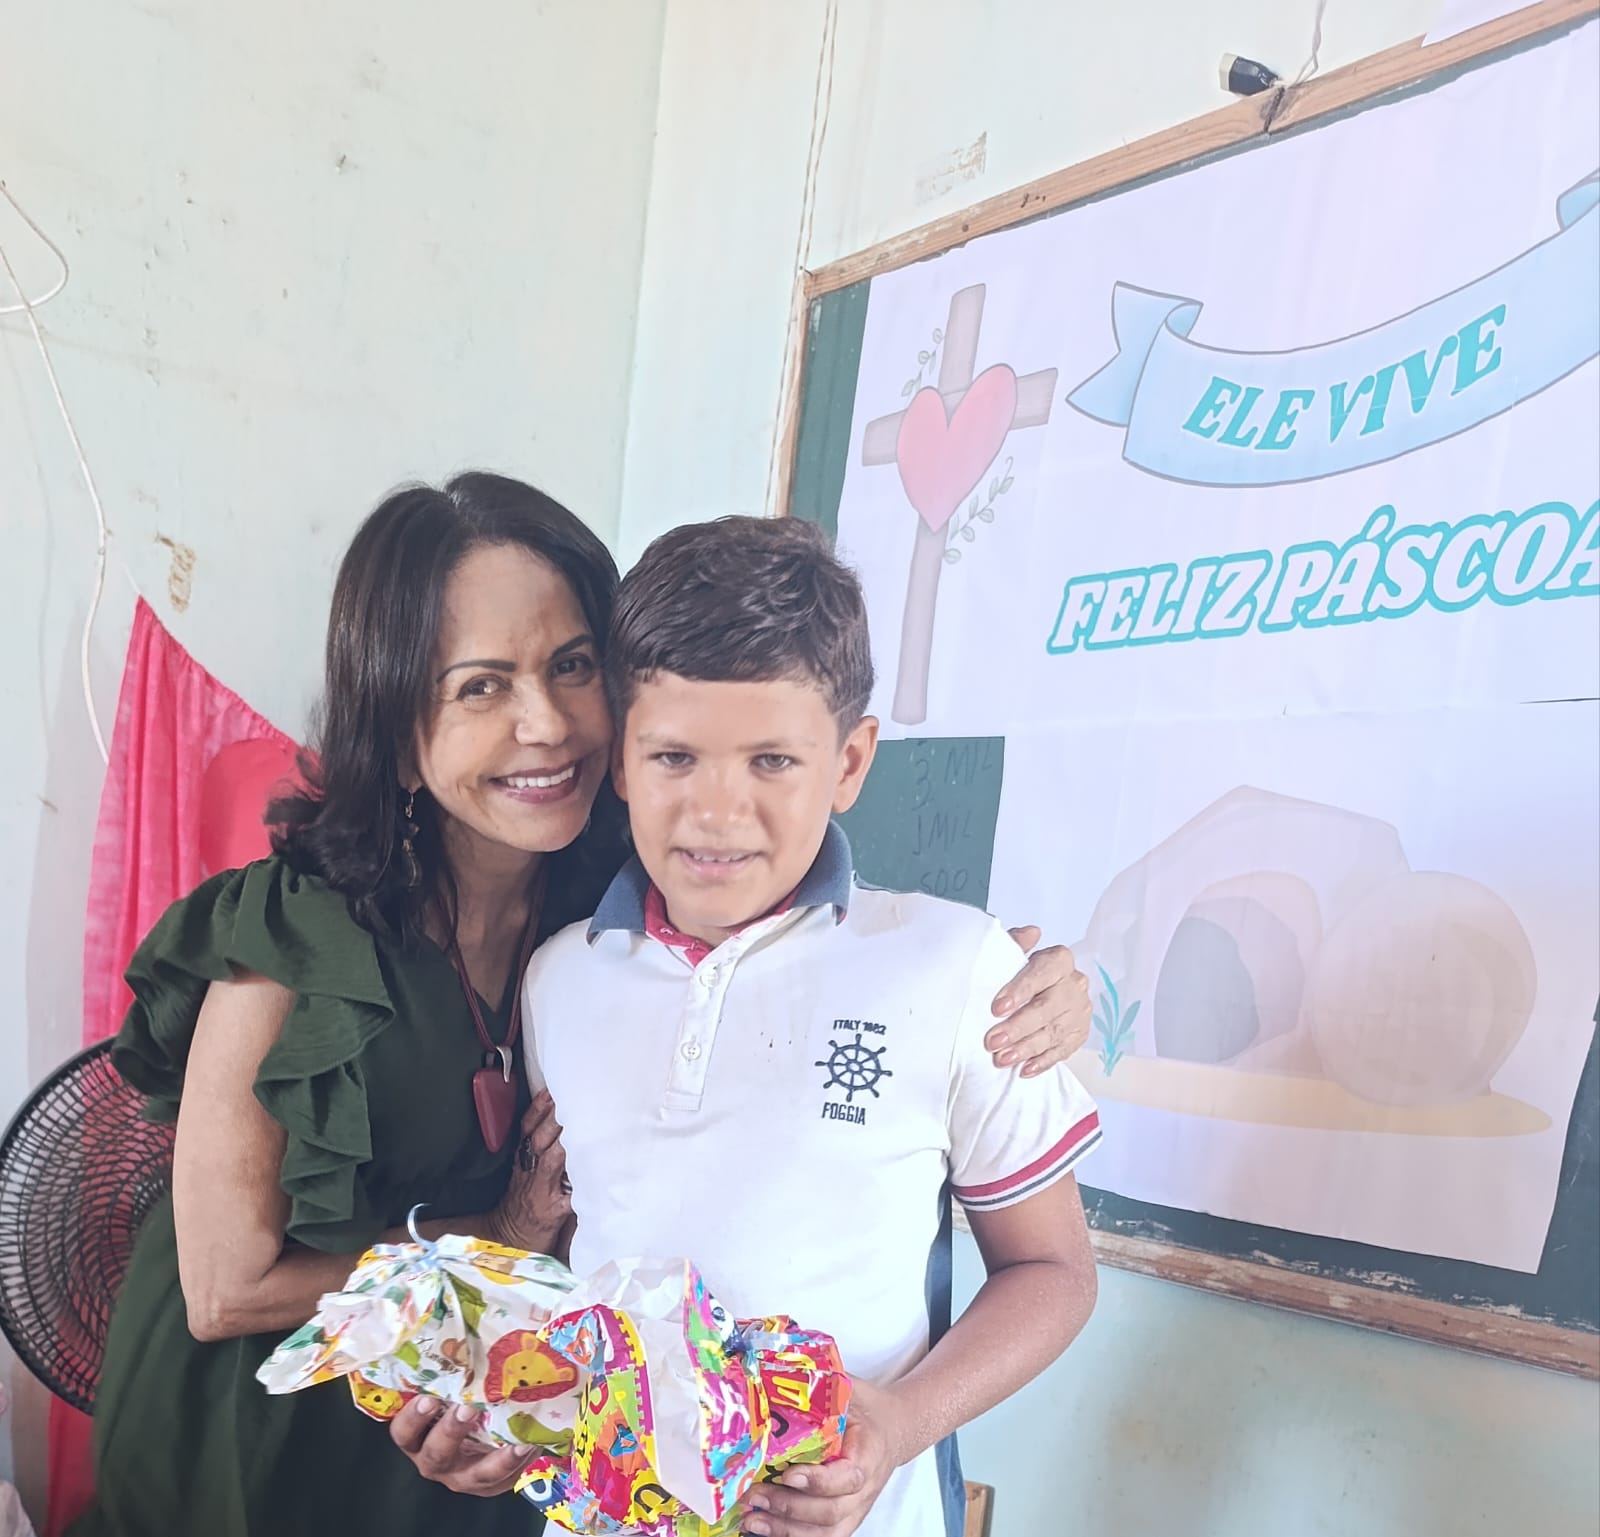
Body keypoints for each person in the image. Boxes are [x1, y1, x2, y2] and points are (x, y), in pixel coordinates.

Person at [70, 475, 1092, 1537]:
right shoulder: (319, 931)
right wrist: (500, 1246)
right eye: (480, 686)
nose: (547, 724)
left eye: (571, 666)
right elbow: (230, 1289)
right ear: (402, 730)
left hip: (497, 1447)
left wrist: (1022, 984)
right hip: (268, 1431)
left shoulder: (593, 916)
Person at [394, 515, 1101, 1537]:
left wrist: (900, 1421)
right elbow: (595, 1260)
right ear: (620, 759)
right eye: (674, 756)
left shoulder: (958, 968)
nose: (716, 812)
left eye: (772, 760)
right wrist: (512, 1410)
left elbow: (1054, 1271)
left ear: (849, 761)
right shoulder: (560, 978)